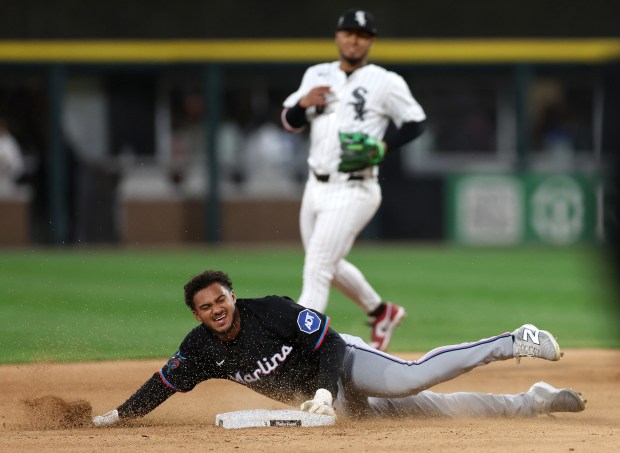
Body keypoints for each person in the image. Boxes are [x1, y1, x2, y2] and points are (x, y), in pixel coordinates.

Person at [92, 270, 585, 427]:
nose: (217, 308)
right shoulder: (199, 350)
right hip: (327, 403)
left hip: (344, 363)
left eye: (221, 298)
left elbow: (326, 343)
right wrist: (117, 416)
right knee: (434, 414)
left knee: (413, 378)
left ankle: (512, 340)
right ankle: (533, 400)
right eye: (206, 306)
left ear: (233, 296)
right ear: (196, 314)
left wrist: (328, 390)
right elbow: (163, 384)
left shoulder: (272, 310)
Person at [280, 9, 427, 351]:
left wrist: (382, 146)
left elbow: (416, 122)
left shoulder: (385, 81)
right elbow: (289, 121)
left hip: (355, 187)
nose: (353, 39)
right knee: (325, 261)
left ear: (370, 41)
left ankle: (297, 351)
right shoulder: (316, 74)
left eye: (361, 35)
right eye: (348, 32)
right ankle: (381, 311)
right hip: (314, 185)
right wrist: (302, 104)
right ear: (338, 37)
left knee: (317, 266)